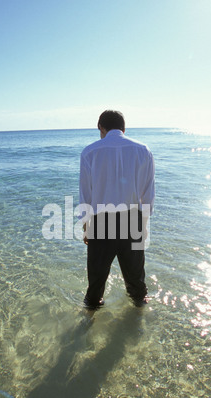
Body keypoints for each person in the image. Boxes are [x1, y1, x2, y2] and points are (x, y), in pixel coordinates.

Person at [79, 110, 155, 308]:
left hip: (101, 221)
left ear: (101, 128)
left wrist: (86, 226)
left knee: (95, 284)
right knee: (137, 283)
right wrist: (144, 226)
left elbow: (86, 194)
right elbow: (148, 195)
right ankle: (139, 324)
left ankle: (88, 325)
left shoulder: (89, 151)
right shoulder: (143, 150)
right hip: (132, 220)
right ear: (124, 128)